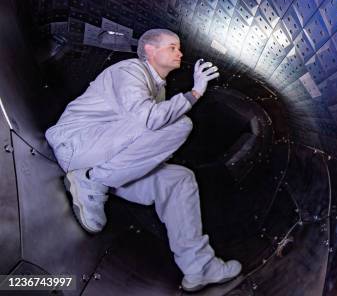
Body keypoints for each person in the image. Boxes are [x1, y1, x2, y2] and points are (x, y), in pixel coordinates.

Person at [45, 28, 242, 292]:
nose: (180, 53)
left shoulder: (157, 90)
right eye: (173, 47)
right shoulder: (129, 71)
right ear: (150, 50)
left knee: (179, 180)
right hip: (78, 146)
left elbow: (144, 136)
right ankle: (92, 181)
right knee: (180, 125)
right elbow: (146, 119)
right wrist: (195, 93)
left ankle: (199, 266)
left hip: (106, 161)